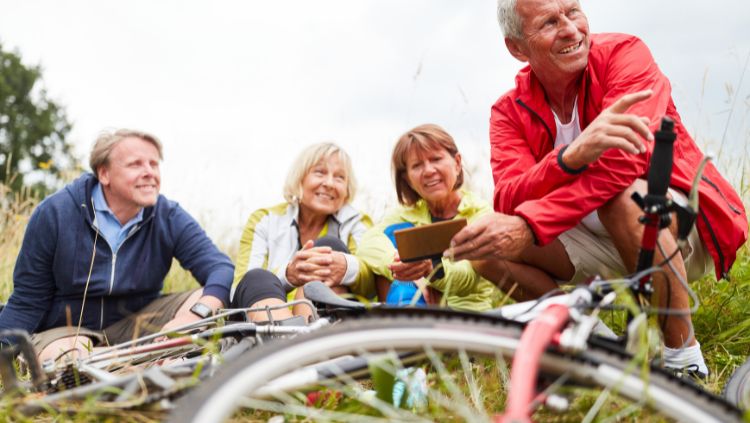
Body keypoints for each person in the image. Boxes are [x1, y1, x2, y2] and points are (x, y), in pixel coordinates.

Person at [448, 0, 748, 377]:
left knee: (622, 200)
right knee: (487, 249)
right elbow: (509, 196)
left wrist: (531, 224)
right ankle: (595, 344)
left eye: (573, 12)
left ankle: (683, 361)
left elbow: (627, 162)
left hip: (676, 229)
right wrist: (567, 159)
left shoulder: (625, 55)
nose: (571, 29)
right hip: (592, 243)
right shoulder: (508, 111)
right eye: (549, 22)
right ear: (517, 47)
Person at [0, 129, 237, 362]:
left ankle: (151, 361)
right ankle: (147, 363)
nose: (149, 173)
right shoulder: (54, 213)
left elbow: (220, 268)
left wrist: (195, 314)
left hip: (139, 325)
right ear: (104, 174)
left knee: (200, 296)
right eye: (136, 164)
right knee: (68, 358)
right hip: (68, 331)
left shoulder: (168, 215)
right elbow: (28, 300)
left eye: (154, 164)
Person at [357, 124, 501, 312]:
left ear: (457, 163)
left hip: (466, 318)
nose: (428, 170)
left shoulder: (479, 213)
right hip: (415, 306)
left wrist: (431, 272)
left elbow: (470, 276)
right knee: (394, 239)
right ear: (408, 179)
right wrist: (407, 269)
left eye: (436, 159)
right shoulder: (405, 214)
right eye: (417, 165)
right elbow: (368, 243)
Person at [231, 142, 374, 321]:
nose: (329, 183)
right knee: (256, 277)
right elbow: (240, 288)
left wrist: (345, 267)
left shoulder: (357, 223)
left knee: (329, 248)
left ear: (347, 189)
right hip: (268, 318)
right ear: (300, 178)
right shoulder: (264, 220)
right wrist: (289, 275)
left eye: (339, 178)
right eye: (320, 172)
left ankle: (310, 338)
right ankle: (287, 339)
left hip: (329, 319)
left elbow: (372, 285)